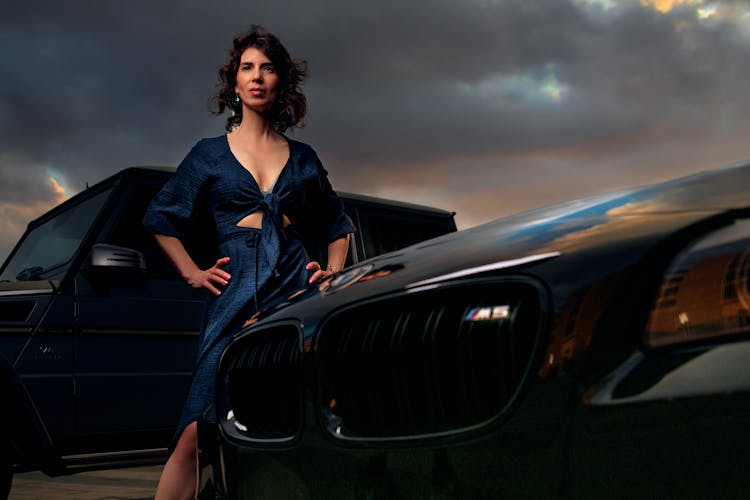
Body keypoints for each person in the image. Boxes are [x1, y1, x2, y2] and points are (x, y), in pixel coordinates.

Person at [143, 25, 354, 499]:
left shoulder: (302, 158)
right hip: (234, 291)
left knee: (285, 426)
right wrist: (192, 272)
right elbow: (161, 217)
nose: (257, 77)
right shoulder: (208, 155)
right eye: (247, 68)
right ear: (234, 83)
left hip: (295, 291)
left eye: (267, 68)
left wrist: (333, 272)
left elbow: (337, 225)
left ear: (281, 82)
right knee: (197, 430)